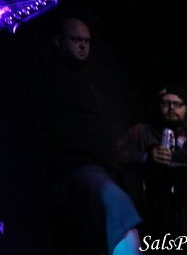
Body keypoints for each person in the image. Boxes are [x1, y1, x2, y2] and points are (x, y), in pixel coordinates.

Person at [43, 17, 142, 255]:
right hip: (75, 171)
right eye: (76, 40)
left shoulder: (87, 82)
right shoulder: (48, 78)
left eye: (87, 41)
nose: (83, 46)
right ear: (59, 41)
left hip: (98, 170)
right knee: (118, 208)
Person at [117, 84, 187, 236]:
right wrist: (146, 157)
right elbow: (117, 153)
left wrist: (165, 157)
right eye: (166, 103)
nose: (171, 108)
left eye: (177, 104)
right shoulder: (141, 131)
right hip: (147, 207)